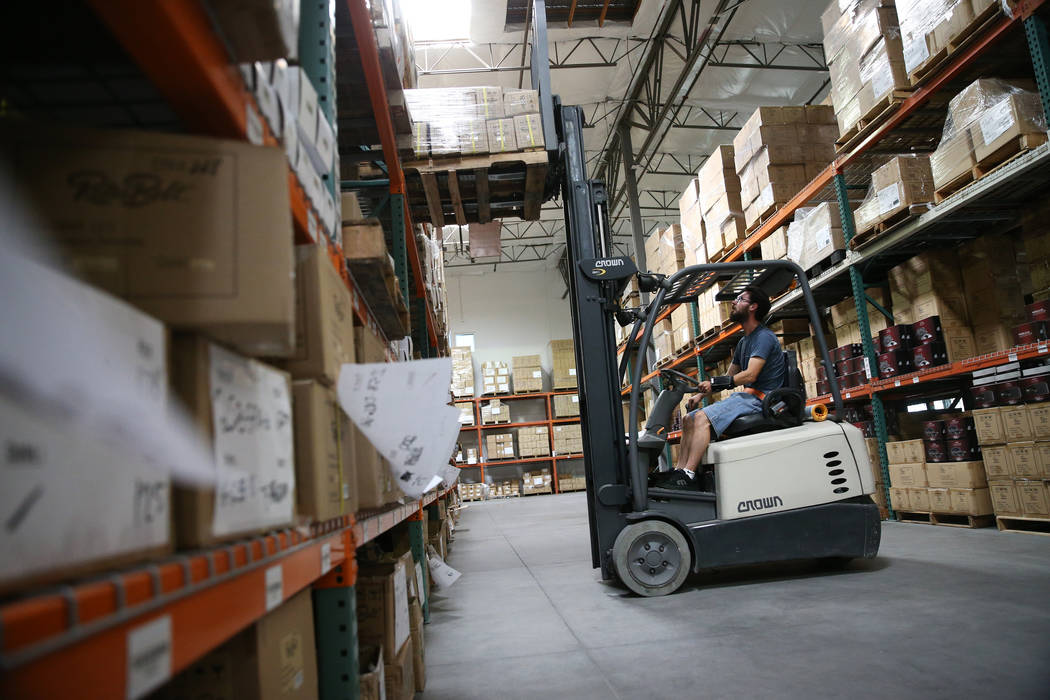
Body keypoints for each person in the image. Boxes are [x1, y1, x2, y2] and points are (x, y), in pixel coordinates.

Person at [650, 285, 786, 489]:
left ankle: (689, 474)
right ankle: (679, 471)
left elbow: (750, 374)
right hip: (746, 398)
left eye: (740, 299)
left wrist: (714, 383)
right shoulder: (744, 342)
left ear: (753, 307)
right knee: (689, 418)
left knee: (703, 419)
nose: (733, 302)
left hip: (762, 400)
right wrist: (699, 395)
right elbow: (729, 376)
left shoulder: (764, 337)